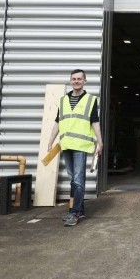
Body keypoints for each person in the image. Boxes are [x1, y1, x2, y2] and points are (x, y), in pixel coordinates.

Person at [48, 69, 103, 227]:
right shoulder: (63, 100)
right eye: (74, 79)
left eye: (79, 79)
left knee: (78, 181)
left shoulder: (91, 100)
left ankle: (75, 213)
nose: (76, 81)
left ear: (84, 81)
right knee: (74, 180)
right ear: (70, 81)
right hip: (66, 145)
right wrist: (50, 141)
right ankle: (81, 210)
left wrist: (100, 142)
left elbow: (95, 122)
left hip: (80, 145)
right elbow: (58, 121)